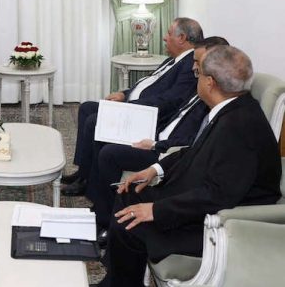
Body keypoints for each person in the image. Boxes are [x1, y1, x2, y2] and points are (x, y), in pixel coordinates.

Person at [101, 45, 282, 287]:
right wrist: (154, 169)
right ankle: (114, 278)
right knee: (128, 193)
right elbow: (195, 150)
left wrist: (156, 210)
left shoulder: (239, 127)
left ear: (209, 82)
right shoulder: (232, 108)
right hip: (199, 195)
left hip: (220, 222)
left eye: (198, 73)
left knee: (130, 226)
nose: (195, 78)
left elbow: (218, 195)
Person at [88, 36, 228, 244]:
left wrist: (155, 144)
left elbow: (191, 141)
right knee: (103, 129)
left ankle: (106, 221)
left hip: (165, 150)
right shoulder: (198, 85)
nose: (193, 68)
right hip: (157, 134)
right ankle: (98, 203)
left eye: (197, 63)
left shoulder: (214, 102)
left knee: (110, 153)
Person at [62, 18, 203, 196]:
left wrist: (130, 107)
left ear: (182, 38)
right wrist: (124, 94)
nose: (164, 38)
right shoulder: (172, 60)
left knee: (95, 121)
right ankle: (84, 171)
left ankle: (87, 182)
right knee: (86, 108)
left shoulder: (189, 65)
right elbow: (148, 84)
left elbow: (171, 101)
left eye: (168, 33)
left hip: (146, 115)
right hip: (134, 106)